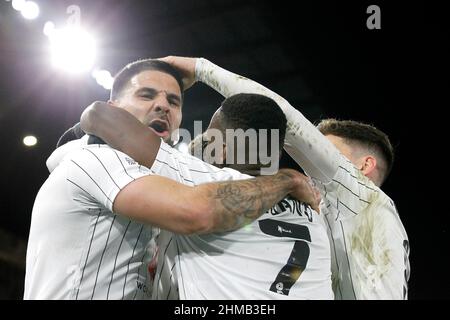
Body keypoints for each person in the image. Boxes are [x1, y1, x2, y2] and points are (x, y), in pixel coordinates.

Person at [24, 59, 318, 300]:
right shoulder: (96, 159)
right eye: (147, 95)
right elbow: (197, 212)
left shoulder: (166, 180)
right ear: (113, 107)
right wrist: (287, 179)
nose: (163, 105)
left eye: (173, 101)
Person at [161, 56, 410, 300]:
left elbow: (286, 119)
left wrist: (201, 69)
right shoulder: (327, 218)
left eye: (329, 154)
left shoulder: (358, 193)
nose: (310, 167)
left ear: (364, 165)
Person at [80, 92, 333, 299]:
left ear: (221, 150)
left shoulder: (206, 181)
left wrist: (287, 178)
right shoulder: (313, 210)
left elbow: (98, 114)